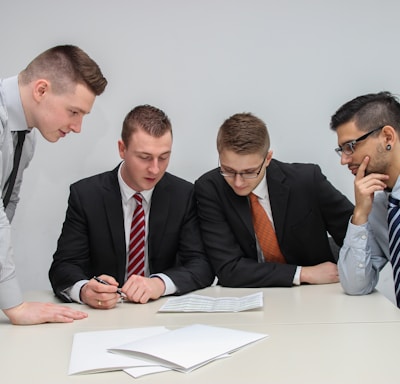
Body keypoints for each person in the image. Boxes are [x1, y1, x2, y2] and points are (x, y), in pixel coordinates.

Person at [49, 104, 214, 309]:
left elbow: (201, 265)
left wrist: (159, 284)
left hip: (159, 312)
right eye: (144, 157)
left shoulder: (183, 195)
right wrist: (85, 290)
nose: (155, 169)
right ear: (122, 149)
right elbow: (64, 266)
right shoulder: (86, 196)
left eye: (163, 157)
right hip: (104, 316)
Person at [0, 44, 107, 324]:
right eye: (74, 112)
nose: (78, 127)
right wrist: (16, 307)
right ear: (41, 90)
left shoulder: (27, 136)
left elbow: (6, 205)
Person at [194, 112, 354, 288]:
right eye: (228, 170)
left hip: (317, 293)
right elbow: (228, 269)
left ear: (268, 158)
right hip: (250, 295)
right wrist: (303, 273)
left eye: (249, 172)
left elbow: (356, 237)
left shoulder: (307, 181)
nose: (238, 182)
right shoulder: (210, 188)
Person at [330, 91, 400, 307]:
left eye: (350, 146)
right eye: (341, 150)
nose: (344, 159)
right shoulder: (382, 208)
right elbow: (355, 285)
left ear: (387, 137)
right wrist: (360, 215)